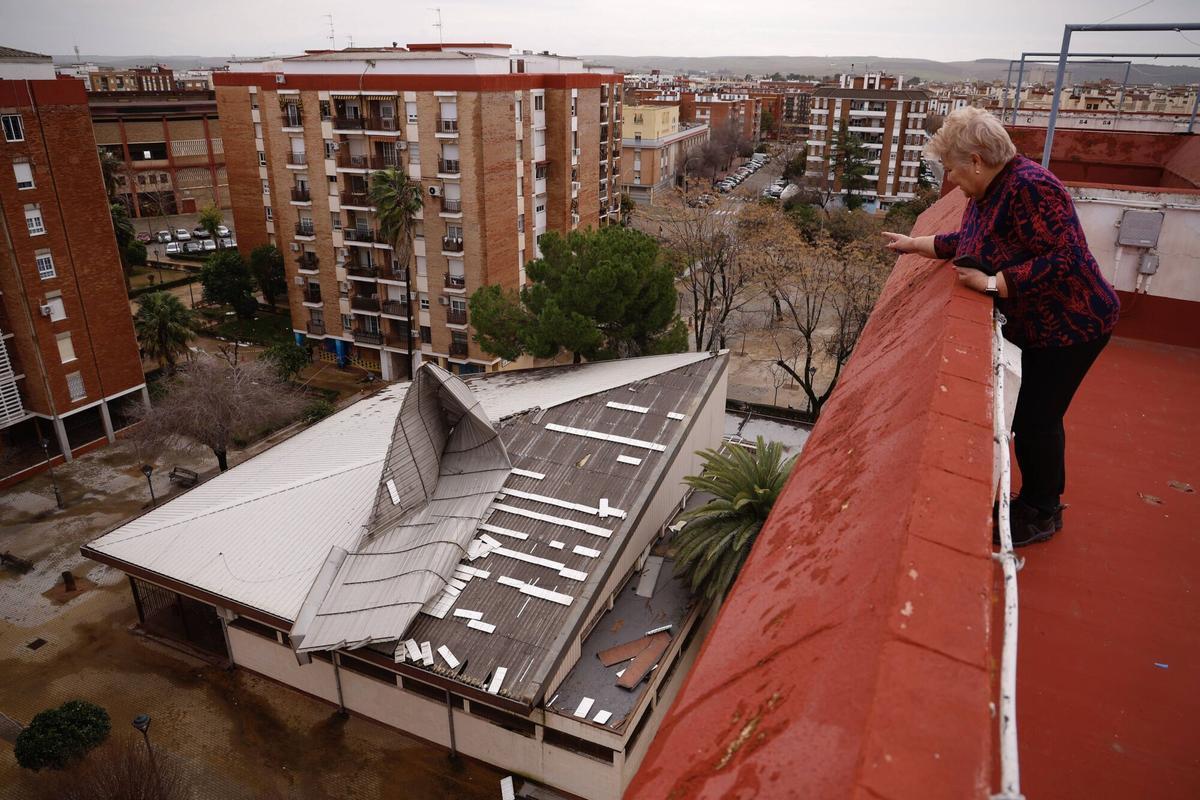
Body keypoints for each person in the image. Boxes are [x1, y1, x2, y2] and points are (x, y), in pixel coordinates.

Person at [882, 107, 1119, 546]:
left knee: (1037, 419)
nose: (950, 178)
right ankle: (1039, 503)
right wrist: (918, 244)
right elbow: (972, 242)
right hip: (1044, 324)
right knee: (1034, 417)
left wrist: (996, 283)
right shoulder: (991, 191)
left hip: (1073, 324)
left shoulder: (1031, 188)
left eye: (951, 167)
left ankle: (1042, 511)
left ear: (976, 160)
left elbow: (1068, 258)